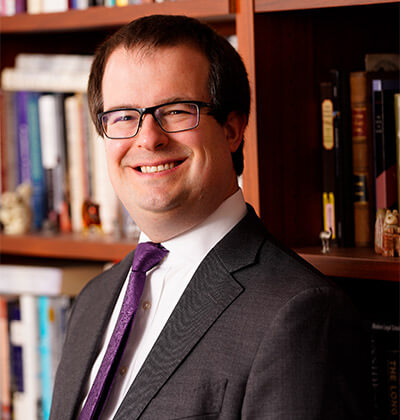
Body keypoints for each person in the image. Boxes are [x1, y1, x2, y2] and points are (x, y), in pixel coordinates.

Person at [50, 14, 369, 420]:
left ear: (232, 129)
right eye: (124, 116)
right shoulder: (94, 299)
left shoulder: (298, 313)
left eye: (177, 111)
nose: (148, 137)